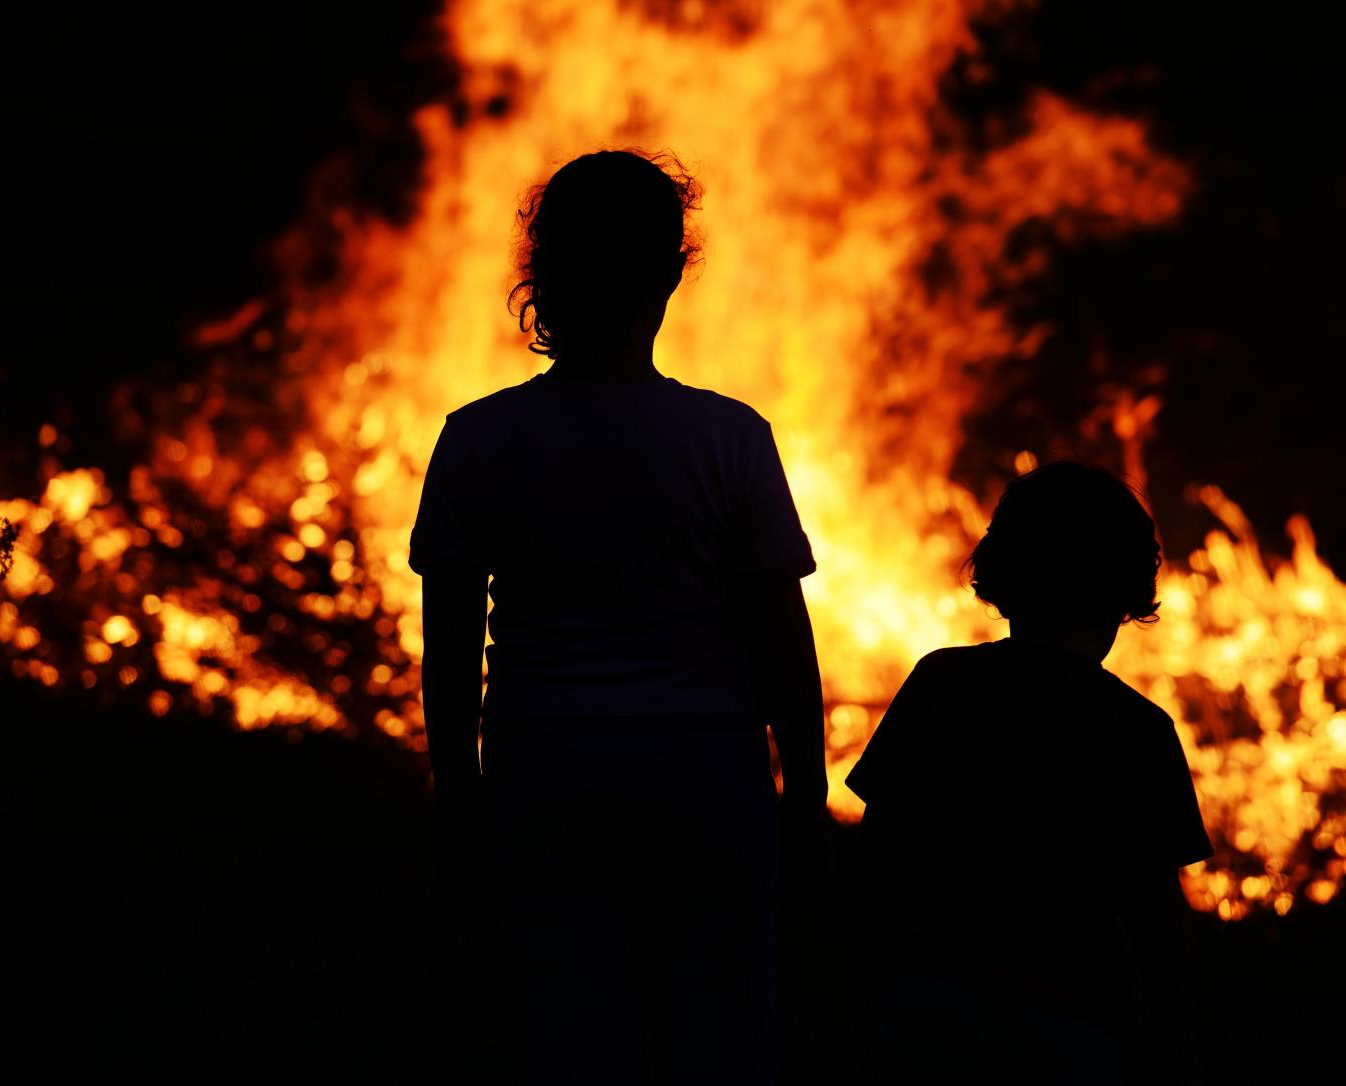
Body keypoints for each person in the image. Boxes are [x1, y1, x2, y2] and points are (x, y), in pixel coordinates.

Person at [409, 149, 830, 1084]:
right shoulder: (730, 438)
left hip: (544, 771)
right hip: (705, 776)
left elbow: (448, 656)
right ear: (674, 271)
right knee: (719, 1045)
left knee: (570, 1044)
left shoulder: (478, 439)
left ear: (541, 270)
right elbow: (780, 645)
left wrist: (458, 809)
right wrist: (806, 799)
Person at [846, 460, 1212, 1085]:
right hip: (1070, 1025)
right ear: (1125, 595)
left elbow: (875, 855)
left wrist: (842, 985)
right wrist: (1179, 1052)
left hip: (924, 1000)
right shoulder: (1138, 730)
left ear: (1002, 579)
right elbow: (1157, 917)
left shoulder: (942, 684)